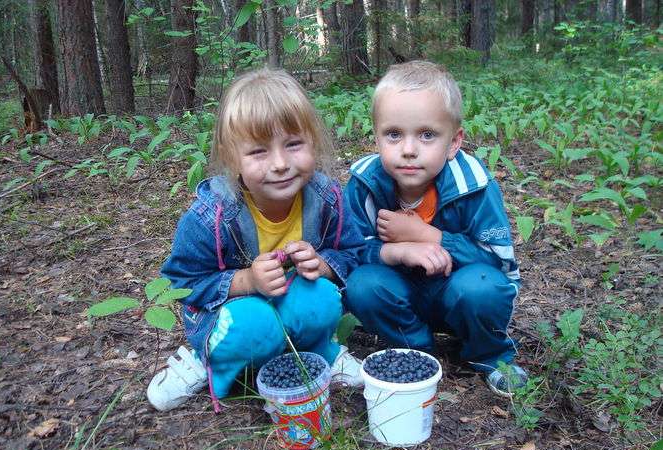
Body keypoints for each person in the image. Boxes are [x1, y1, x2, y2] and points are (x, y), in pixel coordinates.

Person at [147, 67, 365, 412]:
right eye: (259, 152)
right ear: (232, 156)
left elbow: (355, 253)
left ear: (313, 140)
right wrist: (246, 280)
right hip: (233, 314)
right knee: (253, 321)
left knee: (321, 295)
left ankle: (321, 351)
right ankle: (206, 360)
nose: (280, 164)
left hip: (293, 301)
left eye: (293, 144)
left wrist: (324, 265)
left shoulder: (328, 199)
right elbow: (180, 283)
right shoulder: (212, 216)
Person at [344, 61, 527, 397]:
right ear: (377, 137)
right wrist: (396, 250)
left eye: (427, 135)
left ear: (454, 141)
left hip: (458, 293)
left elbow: (500, 265)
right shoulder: (365, 184)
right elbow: (348, 252)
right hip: (402, 293)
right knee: (363, 284)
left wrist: (430, 236)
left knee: (482, 287)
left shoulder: (474, 186)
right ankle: (416, 351)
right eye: (394, 134)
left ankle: (492, 357)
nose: (409, 149)